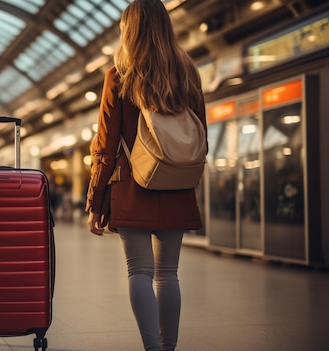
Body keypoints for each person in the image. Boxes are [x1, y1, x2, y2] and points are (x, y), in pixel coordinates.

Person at [85, 1, 207, 350]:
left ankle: (153, 349)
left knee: (139, 272)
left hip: (131, 183)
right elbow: (200, 136)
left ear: (130, 31)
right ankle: (168, 348)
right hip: (176, 182)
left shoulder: (119, 75)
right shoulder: (188, 72)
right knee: (168, 274)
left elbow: (106, 146)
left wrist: (96, 202)